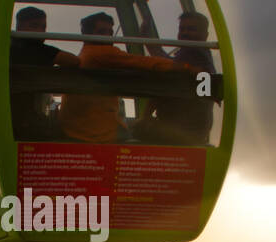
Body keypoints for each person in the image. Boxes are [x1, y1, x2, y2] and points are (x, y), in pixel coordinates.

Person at [58, 12, 194, 144]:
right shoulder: (100, 53)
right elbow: (143, 62)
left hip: (77, 127)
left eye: (110, 33)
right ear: (86, 35)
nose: (108, 37)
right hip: (95, 132)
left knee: (137, 125)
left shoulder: (87, 53)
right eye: (101, 32)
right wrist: (189, 68)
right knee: (158, 134)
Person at [137, 11, 217, 145]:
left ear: (205, 35)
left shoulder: (194, 53)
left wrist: (145, 117)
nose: (185, 33)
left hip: (181, 131)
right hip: (194, 130)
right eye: (182, 29)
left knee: (132, 129)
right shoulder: (197, 55)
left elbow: (165, 66)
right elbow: (166, 64)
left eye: (191, 29)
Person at [10, 6, 79, 140]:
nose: (40, 31)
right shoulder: (40, 50)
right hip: (25, 119)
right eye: (34, 26)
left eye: (43, 27)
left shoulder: (8, 46)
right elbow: (73, 61)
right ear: (19, 27)